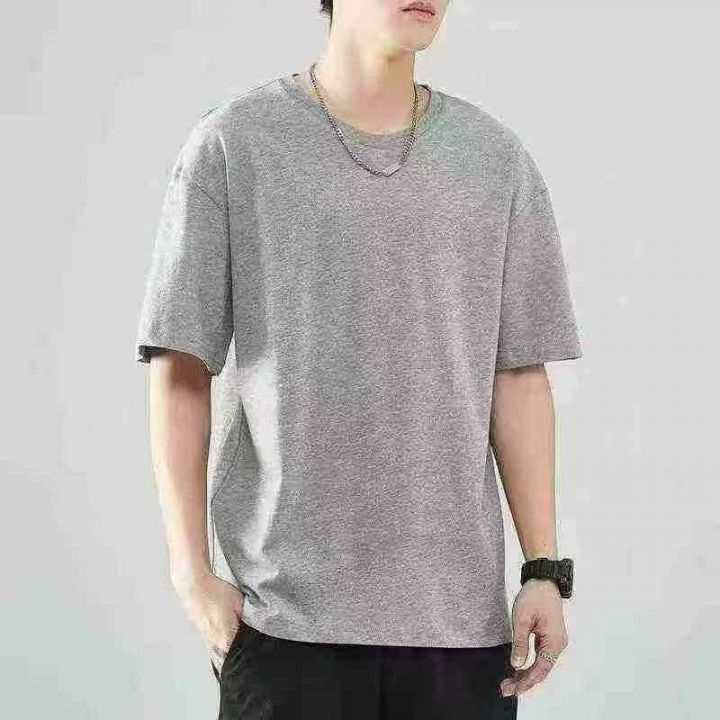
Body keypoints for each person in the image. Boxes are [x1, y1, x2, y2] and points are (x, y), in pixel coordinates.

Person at [134, 0, 582, 717]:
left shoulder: (495, 160)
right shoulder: (234, 146)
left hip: (459, 632)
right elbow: (180, 368)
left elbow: (518, 374)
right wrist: (192, 575)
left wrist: (543, 570)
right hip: (284, 629)